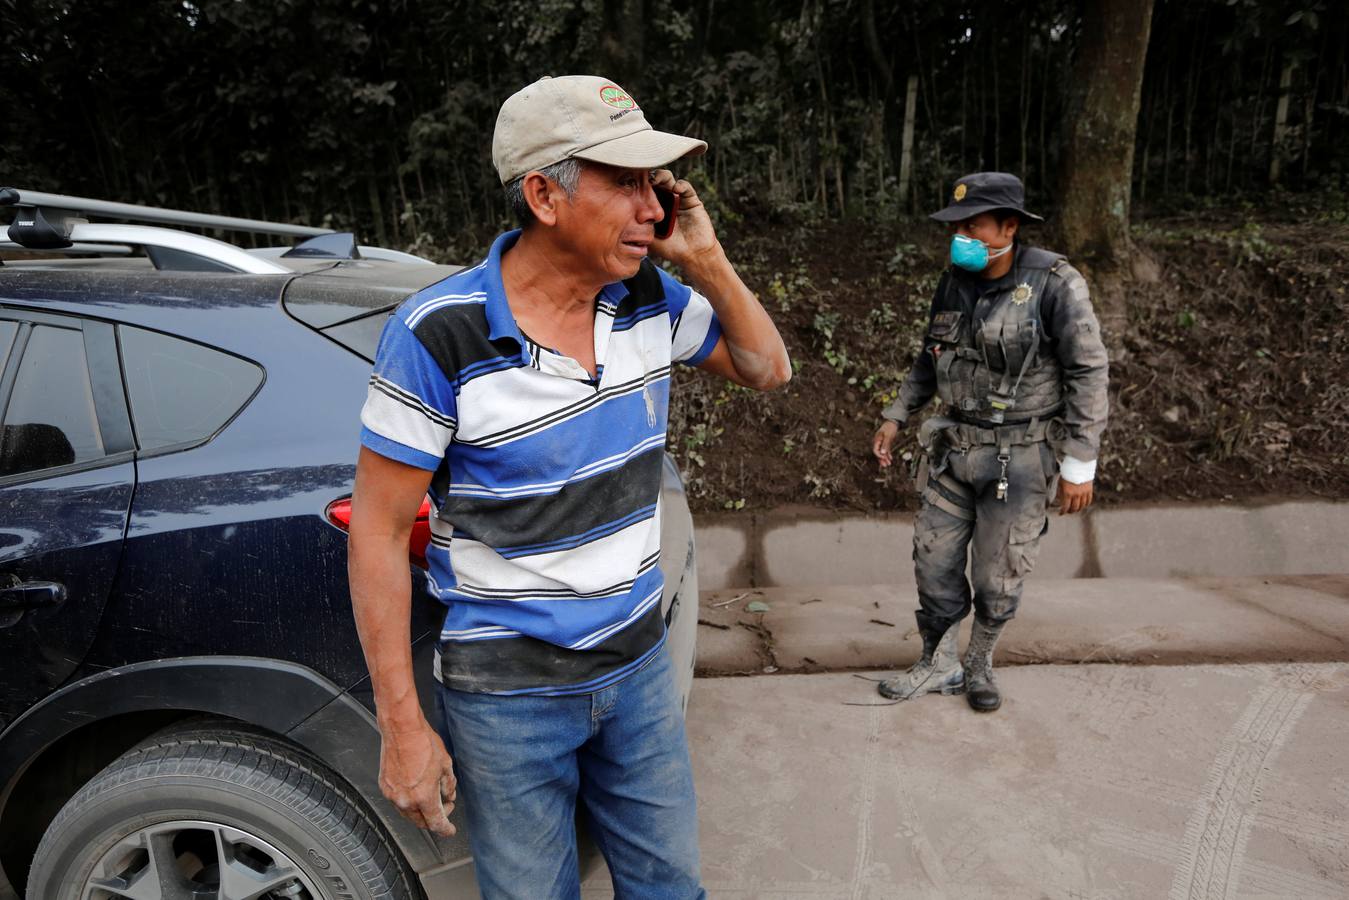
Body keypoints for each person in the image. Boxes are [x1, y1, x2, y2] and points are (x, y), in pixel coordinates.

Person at [346, 74, 790, 899]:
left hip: (637, 668)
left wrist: (709, 261)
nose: (653, 210)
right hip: (506, 697)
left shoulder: (646, 296)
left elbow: (767, 369)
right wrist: (402, 727)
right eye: (625, 183)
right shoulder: (437, 335)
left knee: (670, 889)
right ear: (544, 196)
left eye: (654, 185)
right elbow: (375, 532)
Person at [871, 171, 1108, 712]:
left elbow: (1089, 372)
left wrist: (1079, 463)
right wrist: (898, 414)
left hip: (1021, 457)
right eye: (956, 226)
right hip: (952, 449)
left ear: (1009, 225)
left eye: (972, 225)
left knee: (998, 574)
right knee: (933, 561)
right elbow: (930, 355)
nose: (960, 236)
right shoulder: (954, 278)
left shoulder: (1054, 282)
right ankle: (938, 661)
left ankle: (979, 662)